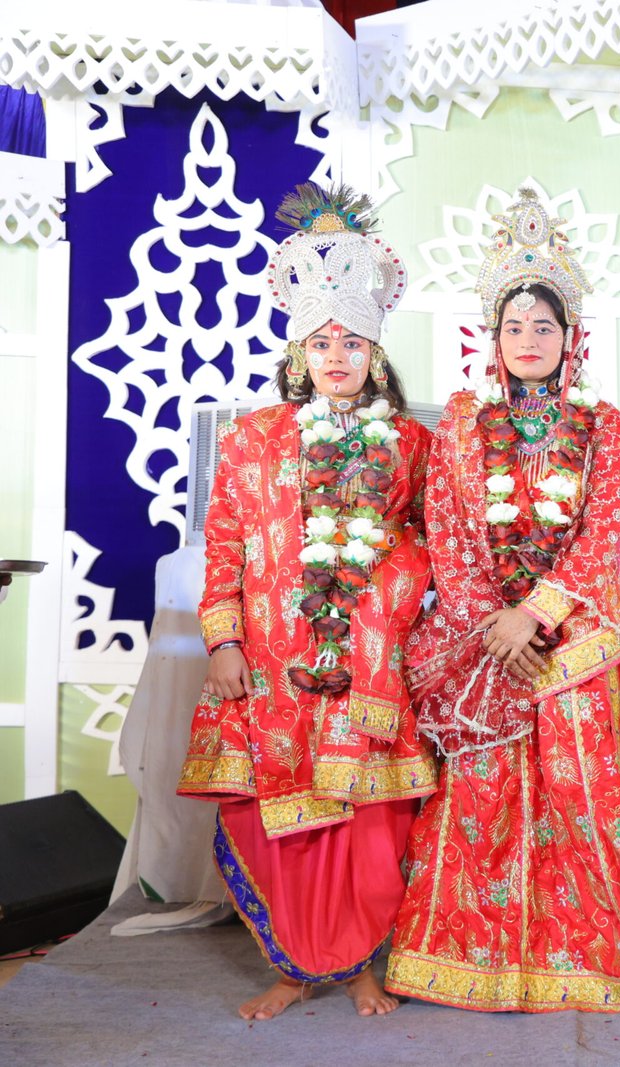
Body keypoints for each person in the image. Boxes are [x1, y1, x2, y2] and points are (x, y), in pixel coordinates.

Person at [385, 185, 620, 1018]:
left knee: (580, 782)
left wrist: (539, 614)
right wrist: (497, 624)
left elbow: (606, 532)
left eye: (543, 326)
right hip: (481, 635)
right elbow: (447, 525)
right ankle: (465, 963)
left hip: (576, 630)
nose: (528, 339)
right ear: (493, 336)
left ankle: (598, 963)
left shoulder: (604, 426)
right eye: (514, 325)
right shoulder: (462, 421)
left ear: (570, 337)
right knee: (481, 790)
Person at [178, 184, 435, 1020]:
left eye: (352, 342)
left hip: (371, 666)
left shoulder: (412, 442)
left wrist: (388, 589)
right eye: (322, 342)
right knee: (281, 822)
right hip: (272, 665)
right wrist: (223, 640)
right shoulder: (254, 439)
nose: (337, 357)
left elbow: (432, 540)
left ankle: (361, 965)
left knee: (370, 823)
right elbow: (223, 543)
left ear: (375, 354)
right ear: (298, 352)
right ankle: (293, 968)